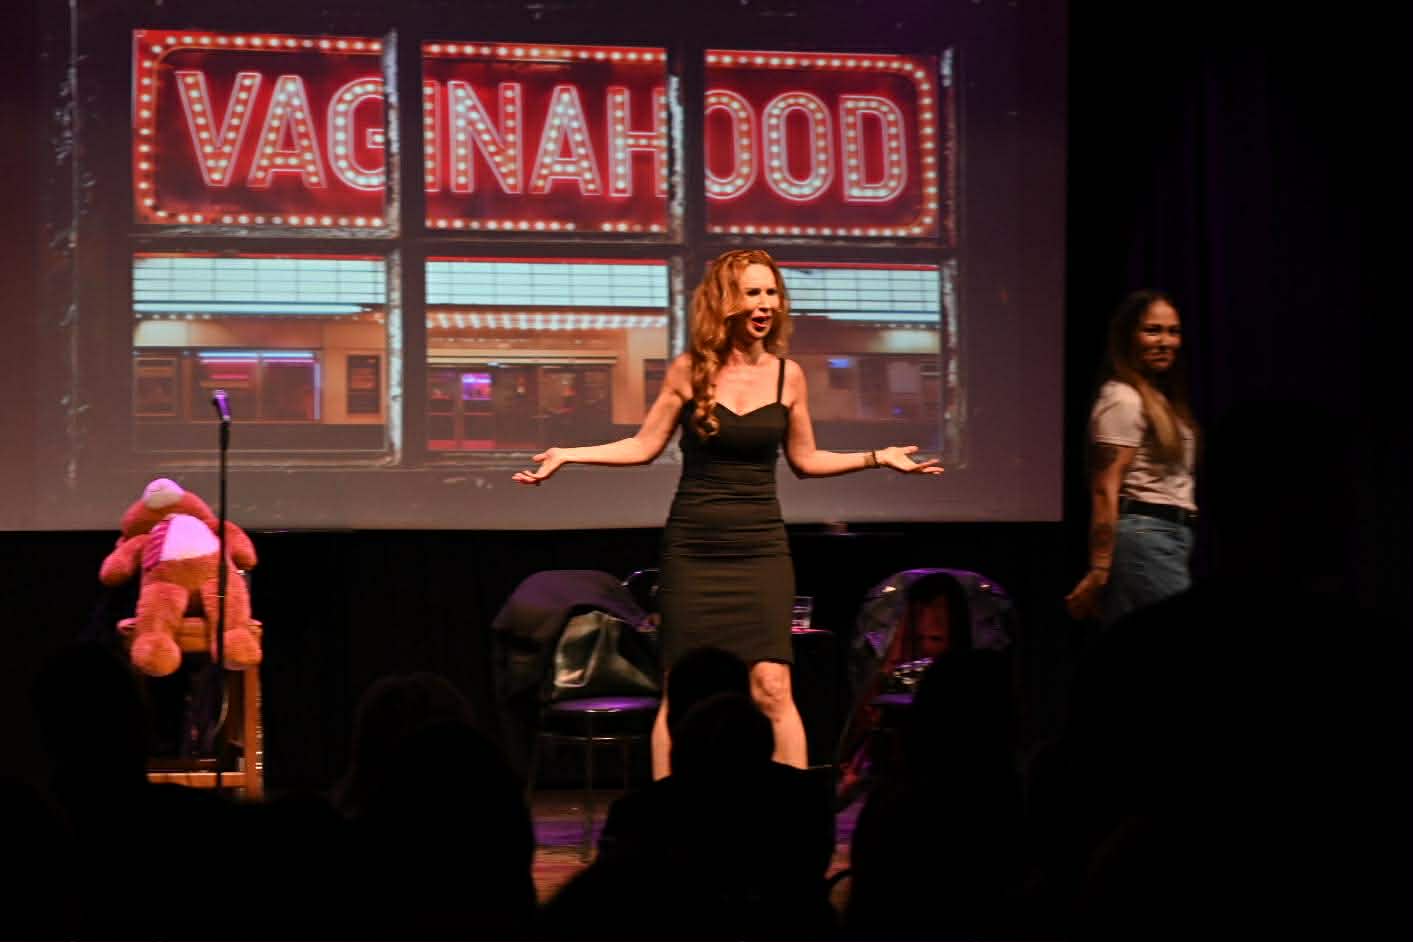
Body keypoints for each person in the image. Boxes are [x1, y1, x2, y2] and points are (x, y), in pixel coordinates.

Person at [514, 248, 942, 774]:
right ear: (726, 302)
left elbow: (806, 461)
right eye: (752, 293)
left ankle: (793, 809)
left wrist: (878, 457)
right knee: (680, 687)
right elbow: (643, 446)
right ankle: (671, 809)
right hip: (694, 549)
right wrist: (568, 454)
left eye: (771, 293)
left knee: (772, 685)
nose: (765, 304)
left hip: (759, 550)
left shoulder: (788, 376)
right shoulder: (689, 371)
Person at [1065, 290, 1197, 627]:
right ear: (1128, 337)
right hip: (1145, 538)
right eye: (1152, 330)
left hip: (1168, 537)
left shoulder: (1160, 399)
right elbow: (1104, 489)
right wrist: (1100, 568)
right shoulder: (1123, 399)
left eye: (1173, 331)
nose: (1165, 342)